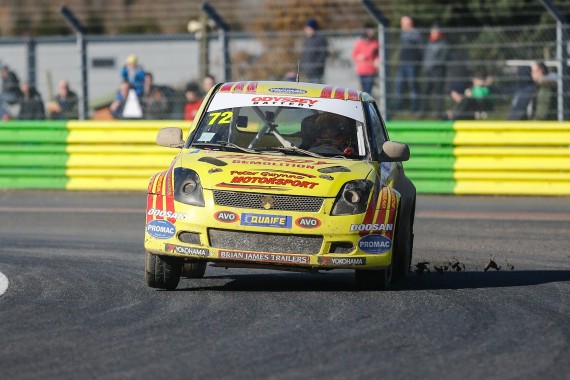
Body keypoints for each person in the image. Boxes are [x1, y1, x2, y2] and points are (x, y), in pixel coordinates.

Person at [418, 25, 449, 118]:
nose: (433, 34)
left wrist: (436, 65)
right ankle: (423, 111)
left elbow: (444, 57)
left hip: (438, 71)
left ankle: (438, 112)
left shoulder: (443, 44)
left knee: (438, 92)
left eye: (435, 32)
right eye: (432, 32)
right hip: (428, 72)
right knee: (425, 92)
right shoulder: (428, 43)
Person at [394, 16, 422, 114]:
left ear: (408, 23)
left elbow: (419, 49)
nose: (401, 25)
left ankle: (414, 109)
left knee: (412, 85)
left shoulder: (415, 34)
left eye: (403, 23)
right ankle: (398, 108)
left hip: (411, 63)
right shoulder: (403, 34)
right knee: (399, 85)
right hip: (402, 64)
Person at [352, 23, 379, 95]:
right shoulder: (359, 43)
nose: (372, 32)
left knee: (368, 91)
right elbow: (354, 56)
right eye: (370, 30)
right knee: (363, 92)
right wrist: (359, 57)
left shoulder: (375, 43)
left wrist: (377, 60)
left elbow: (378, 55)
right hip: (361, 71)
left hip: (371, 71)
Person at [300, 18, 328, 83]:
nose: (306, 30)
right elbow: (304, 55)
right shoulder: (307, 40)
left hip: (316, 71)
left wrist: (316, 66)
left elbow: (323, 54)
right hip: (307, 70)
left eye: (308, 28)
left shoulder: (320, 39)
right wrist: (303, 65)